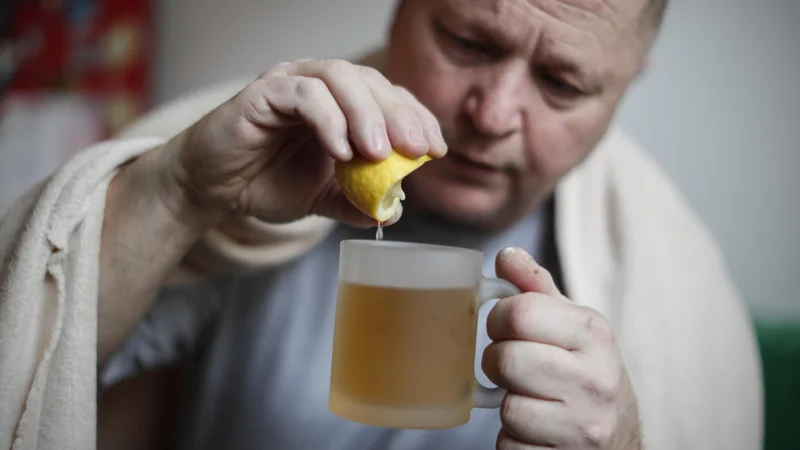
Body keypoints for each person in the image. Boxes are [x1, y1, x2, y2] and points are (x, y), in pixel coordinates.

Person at [2, 0, 763, 449]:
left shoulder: (674, 288)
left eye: (563, 82)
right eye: (468, 40)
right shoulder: (236, 162)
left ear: (631, 77)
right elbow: (34, 385)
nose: (492, 115)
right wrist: (173, 195)